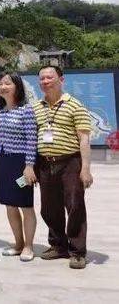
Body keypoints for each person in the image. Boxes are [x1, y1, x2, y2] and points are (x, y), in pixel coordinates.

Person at [33, 65, 93, 269]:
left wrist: (85, 168)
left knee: (75, 206)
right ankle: (59, 245)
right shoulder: (36, 106)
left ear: (61, 80)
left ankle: (77, 251)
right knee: (49, 208)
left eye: (50, 77)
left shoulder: (75, 105)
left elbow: (84, 139)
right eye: (42, 79)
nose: (45, 81)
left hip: (70, 163)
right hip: (44, 163)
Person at [0, 72, 37, 262]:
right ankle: (18, 243)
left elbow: (31, 140)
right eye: (0, 83)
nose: (3, 87)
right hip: (3, 161)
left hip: (20, 163)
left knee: (25, 204)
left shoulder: (26, 110)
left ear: (17, 86)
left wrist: (29, 166)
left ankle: (28, 246)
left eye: (7, 83)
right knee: (9, 204)